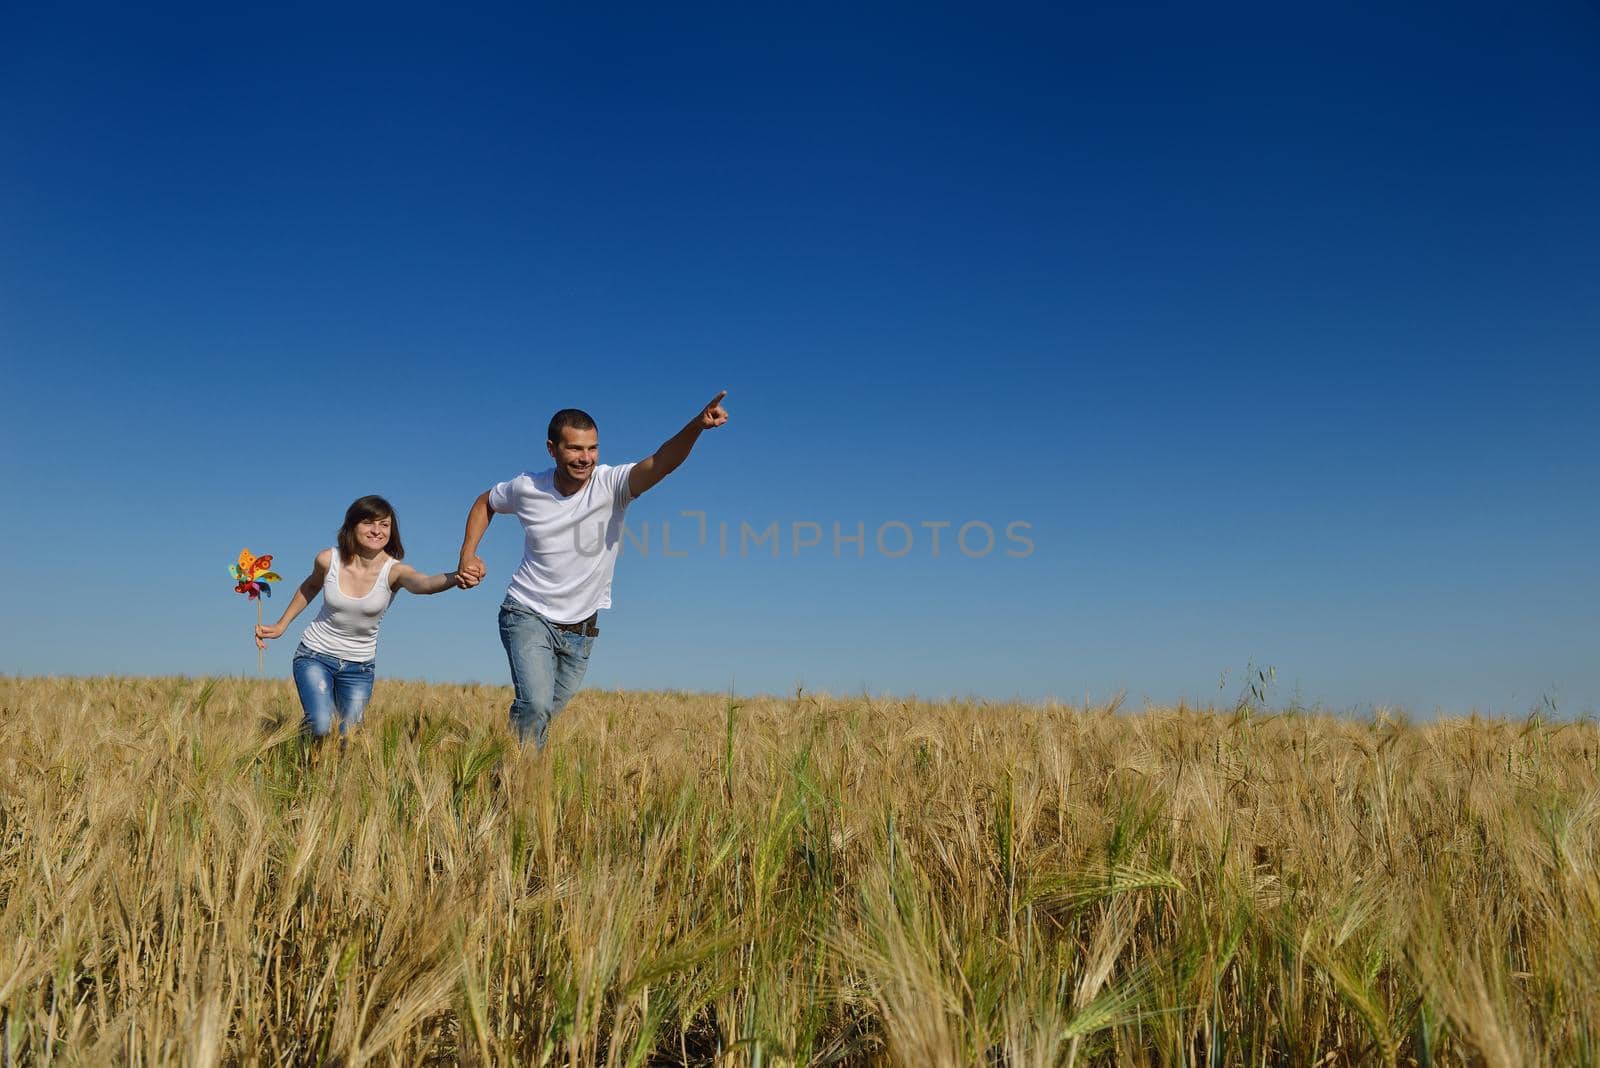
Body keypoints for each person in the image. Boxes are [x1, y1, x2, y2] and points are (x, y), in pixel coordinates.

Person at [455, 392, 730, 747]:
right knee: (535, 706)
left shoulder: (612, 485)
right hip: (526, 612)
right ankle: (516, 786)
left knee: (540, 719)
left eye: (592, 449)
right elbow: (485, 502)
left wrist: (696, 427)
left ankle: (504, 773)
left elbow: (662, 461)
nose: (585, 458)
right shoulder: (527, 487)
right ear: (552, 449)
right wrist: (468, 553)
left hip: (581, 631)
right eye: (574, 449)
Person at [255, 494, 467, 739]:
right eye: (368, 522)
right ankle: (306, 763)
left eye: (384, 525)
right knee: (321, 724)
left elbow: (425, 583)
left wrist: (457, 577)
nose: (377, 530)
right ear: (352, 525)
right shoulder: (328, 559)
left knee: (350, 737)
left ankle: (329, 773)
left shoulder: (395, 571)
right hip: (315, 655)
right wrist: (282, 625)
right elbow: (310, 587)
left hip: (359, 667)